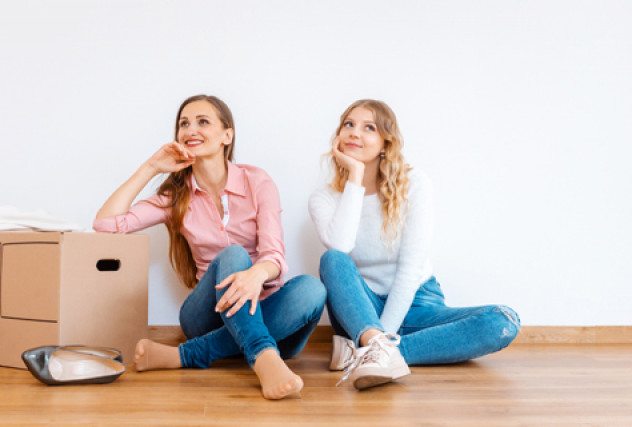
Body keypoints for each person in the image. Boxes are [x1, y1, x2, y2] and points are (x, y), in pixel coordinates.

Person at [93, 95, 326, 400]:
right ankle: (264, 355)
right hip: (207, 315)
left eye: (203, 122)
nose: (191, 129)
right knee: (234, 254)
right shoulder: (175, 195)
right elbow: (106, 224)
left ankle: (183, 356)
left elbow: (273, 254)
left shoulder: (257, 181)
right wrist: (151, 167)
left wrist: (256, 275)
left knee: (313, 289)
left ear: (227, 136)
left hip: (268, 309)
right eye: (184, 123)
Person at [308, 99, 520, 391]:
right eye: (349, 125)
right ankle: (374, 346)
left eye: (368, 127)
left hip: (418, 302)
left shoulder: (415, 184)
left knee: (502, 321)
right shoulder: (325, 198)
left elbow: (410, 269)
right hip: (361, 311)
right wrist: (355, 177)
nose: (355, 133)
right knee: (332, 259)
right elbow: (341, 246)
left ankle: (373, 353)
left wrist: (383, 339)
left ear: (385, 143)